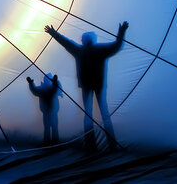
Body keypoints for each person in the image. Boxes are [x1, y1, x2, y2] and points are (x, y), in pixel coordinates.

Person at [44, 22, 129, 150]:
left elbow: (65, 42)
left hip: (86, 85)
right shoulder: (99, 50)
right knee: (104, 113)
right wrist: (121, 31)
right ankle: (111, 143)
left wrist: (53, 33)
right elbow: (117, 46)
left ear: (84, 41)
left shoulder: (79, 50)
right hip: (98, 85)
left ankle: (90, 144)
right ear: (93, 40)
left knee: (88, 114)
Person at [27, 73, 62, 145]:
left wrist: (31, 84)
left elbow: (35, 90)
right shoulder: (45, 88)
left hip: (52, 110)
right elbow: (35, 91)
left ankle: (52, 141)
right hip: (47, 110)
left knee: (51, 126)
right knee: (48, 126)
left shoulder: (47, 88)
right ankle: (50, 141)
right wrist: (31, 83)